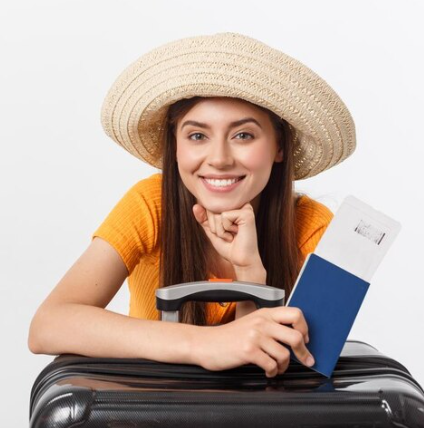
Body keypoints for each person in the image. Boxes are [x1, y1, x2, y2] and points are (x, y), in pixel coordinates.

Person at [27, 32, 356, 378]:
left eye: (243, 135)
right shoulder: (150, 204)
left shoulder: (315, 228)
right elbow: (47, 325)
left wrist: (250, 275)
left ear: (279, 147)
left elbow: (280, 386)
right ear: (176, 146)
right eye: (197, 136)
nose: (218, 159)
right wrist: (204, 344)